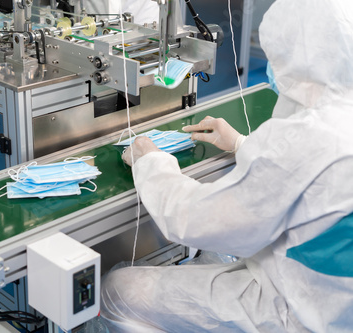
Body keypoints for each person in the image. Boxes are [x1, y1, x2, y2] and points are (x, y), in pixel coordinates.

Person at [99, 0, 353, 331]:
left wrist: (151, 164)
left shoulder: (308, 138)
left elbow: (199, 221)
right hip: (338, 303)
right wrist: (241, 144)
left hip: (297, 310)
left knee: (119, 290)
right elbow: (315, 183)